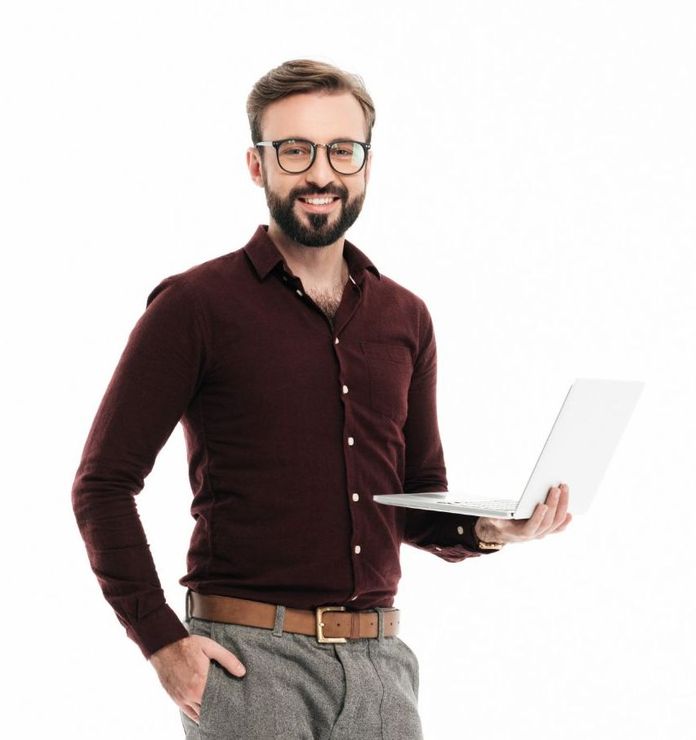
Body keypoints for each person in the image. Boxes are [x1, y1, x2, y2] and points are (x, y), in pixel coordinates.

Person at [71, 59, 572, 739]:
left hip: (383, 670)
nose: (321, 172)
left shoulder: (406, 317)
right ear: (258, 166)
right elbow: (101, 485)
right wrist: (162, 642)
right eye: (295, 149)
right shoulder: (196, 306)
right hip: (250, 668)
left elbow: (417, 496)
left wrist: (494, 530)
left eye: (342, 150)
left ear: (366, 164)